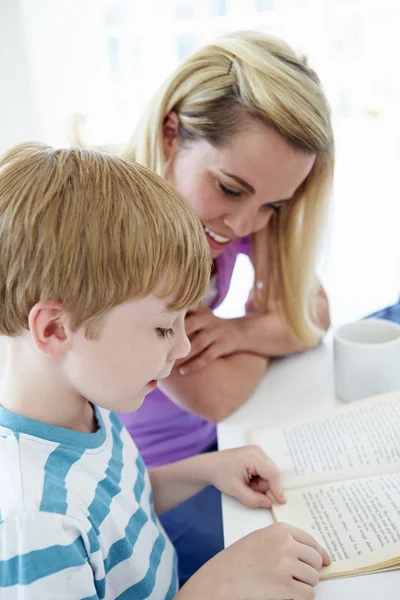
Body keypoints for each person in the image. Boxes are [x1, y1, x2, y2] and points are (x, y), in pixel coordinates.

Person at [0, 142, 331, 599]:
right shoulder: (32, 521)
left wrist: (204, 470)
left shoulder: (87, 404)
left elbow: (122, 508)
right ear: (56, 328)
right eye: (162, 328)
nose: (185, 346)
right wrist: (218, 585)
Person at [113, 30, 335, 583]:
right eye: (231, 188)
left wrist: (237, 336)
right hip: (154, 489)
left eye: (273, 207)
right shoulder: (135, 242)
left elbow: (317, 310)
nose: (244, 225)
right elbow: (212, 395)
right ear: (171, 134)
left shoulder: (231, 214)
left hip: (223, 452)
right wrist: (273, 332)